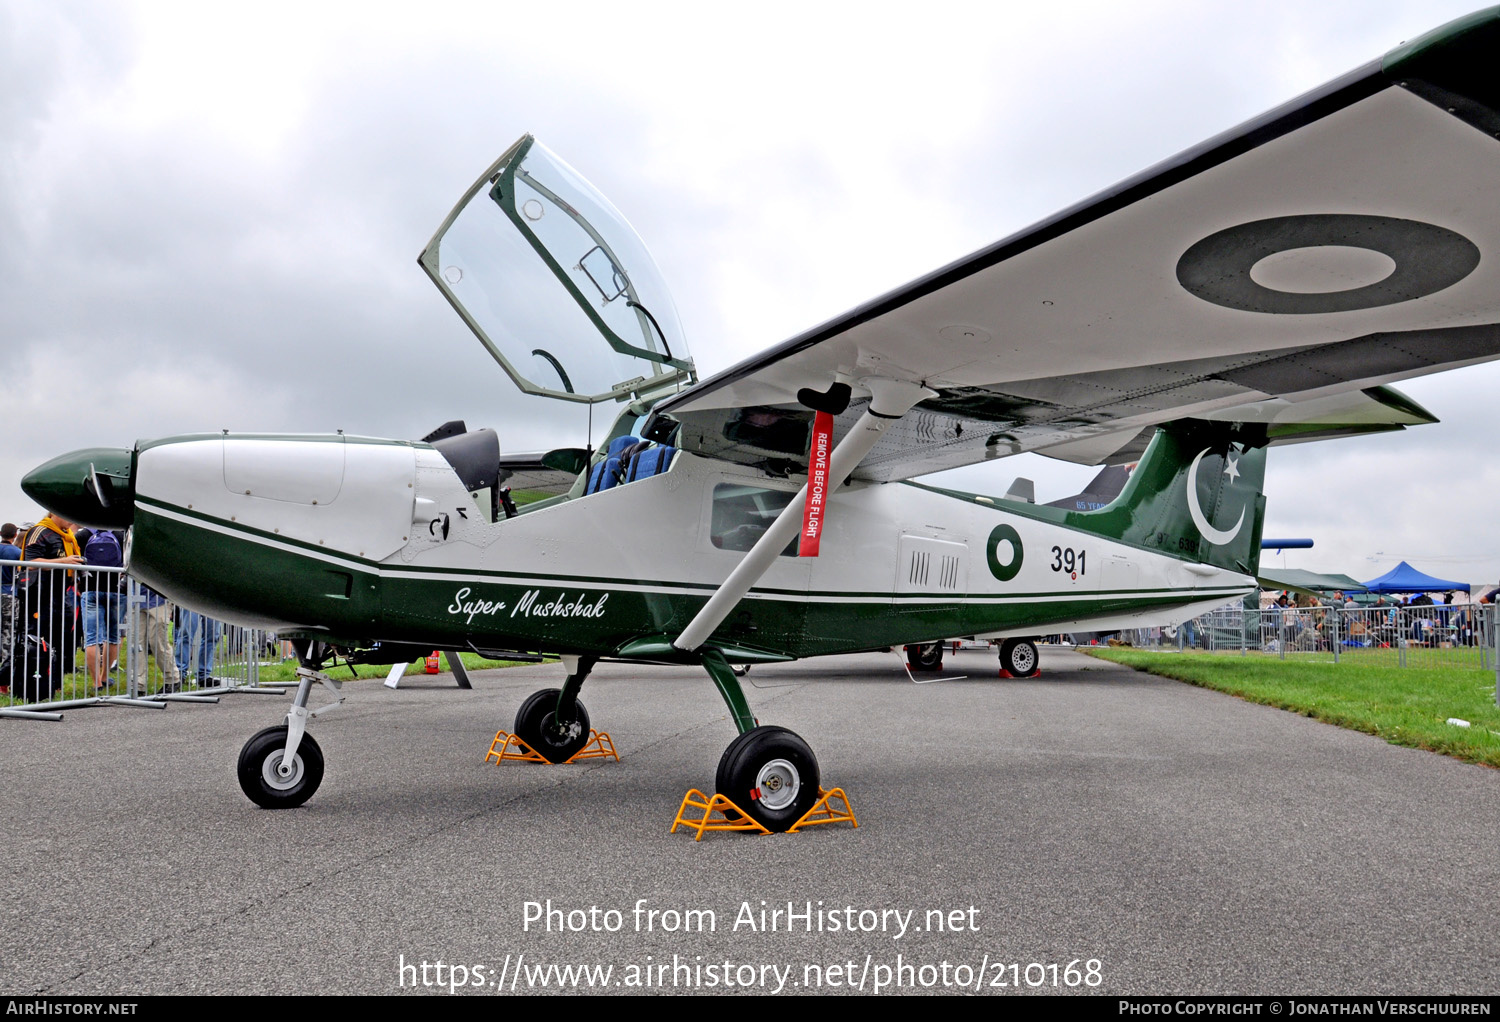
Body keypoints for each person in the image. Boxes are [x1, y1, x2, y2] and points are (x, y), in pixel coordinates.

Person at [18, 513, 82, 700]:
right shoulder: (40, 531)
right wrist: (64, 562)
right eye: (66, 513)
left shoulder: (67, 536)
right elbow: (30, 563)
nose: (71, 519)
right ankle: (27, 684)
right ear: (53, 512)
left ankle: (54, 684)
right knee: (37, 639)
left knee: (62, 639)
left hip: (62, 595)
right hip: (39, 595)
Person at [75, 526, 125, 692]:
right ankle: (104, 676)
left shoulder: (83, 535)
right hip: (116, 590)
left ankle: (96, 682)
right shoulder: (120, 534)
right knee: (113, 637)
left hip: (90, 589)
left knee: (91, 638)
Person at [126, 581, 182, 694]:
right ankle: (138, 684)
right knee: (135, 643)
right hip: (135, 598)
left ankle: (172, 679)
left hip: (159, 599)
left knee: (158, 642)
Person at [174, 607, 221, 687]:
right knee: (186, 635)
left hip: (213, 602)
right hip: (192, 599)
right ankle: (180, 674)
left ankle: (203, 676)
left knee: (212, 637)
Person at [0, 523, 20, 693]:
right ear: (15, 535)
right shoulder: (17, 553)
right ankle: (4, 681)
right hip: (9, 594)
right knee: (8, 635)